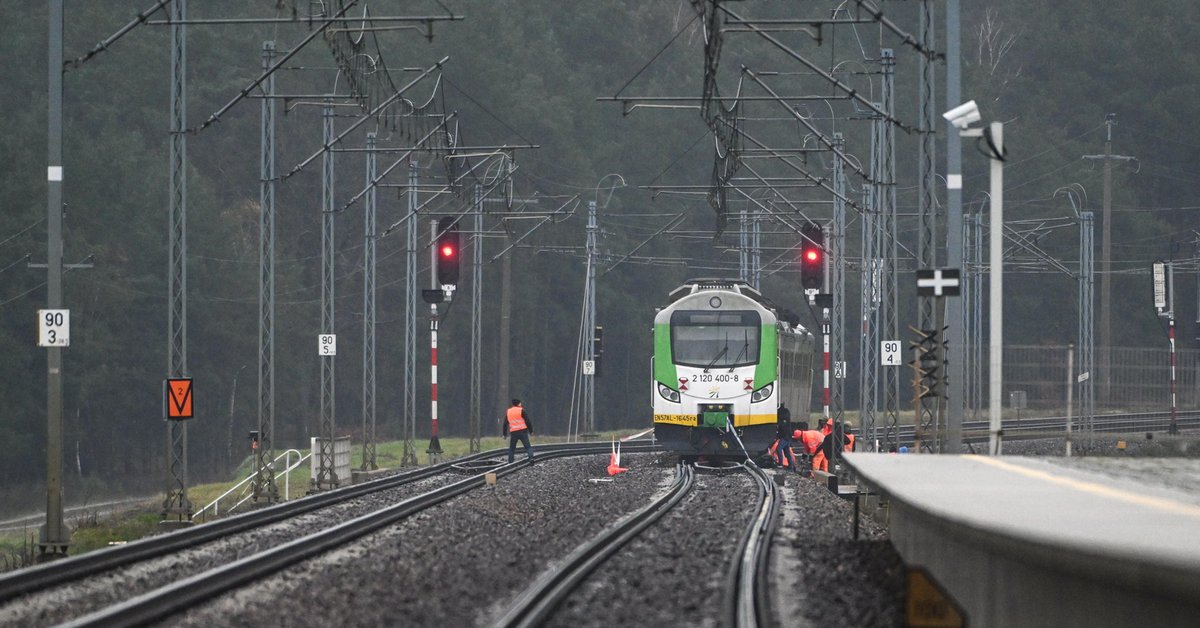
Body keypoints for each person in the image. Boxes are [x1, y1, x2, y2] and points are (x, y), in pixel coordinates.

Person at [503, 398, 535, 464]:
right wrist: (531, 431)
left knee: (512, 448)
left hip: (514, 432)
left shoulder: (509, 411)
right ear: (518, 403)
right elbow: (528, 421)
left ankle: (510, 461)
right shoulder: (521, 410)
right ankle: (531, 458)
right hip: (523, 431)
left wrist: (504, 434)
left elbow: (505, 424)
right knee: (527, 446)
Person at [774, 403, 799, 472]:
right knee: (787, 451)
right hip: (787, 436)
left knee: (779, 449)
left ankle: (780, 464)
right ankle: (790, 466)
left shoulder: (782, 420)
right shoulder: (786, 418)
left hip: (785, 437)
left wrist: (778, 435)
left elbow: (781, 428)